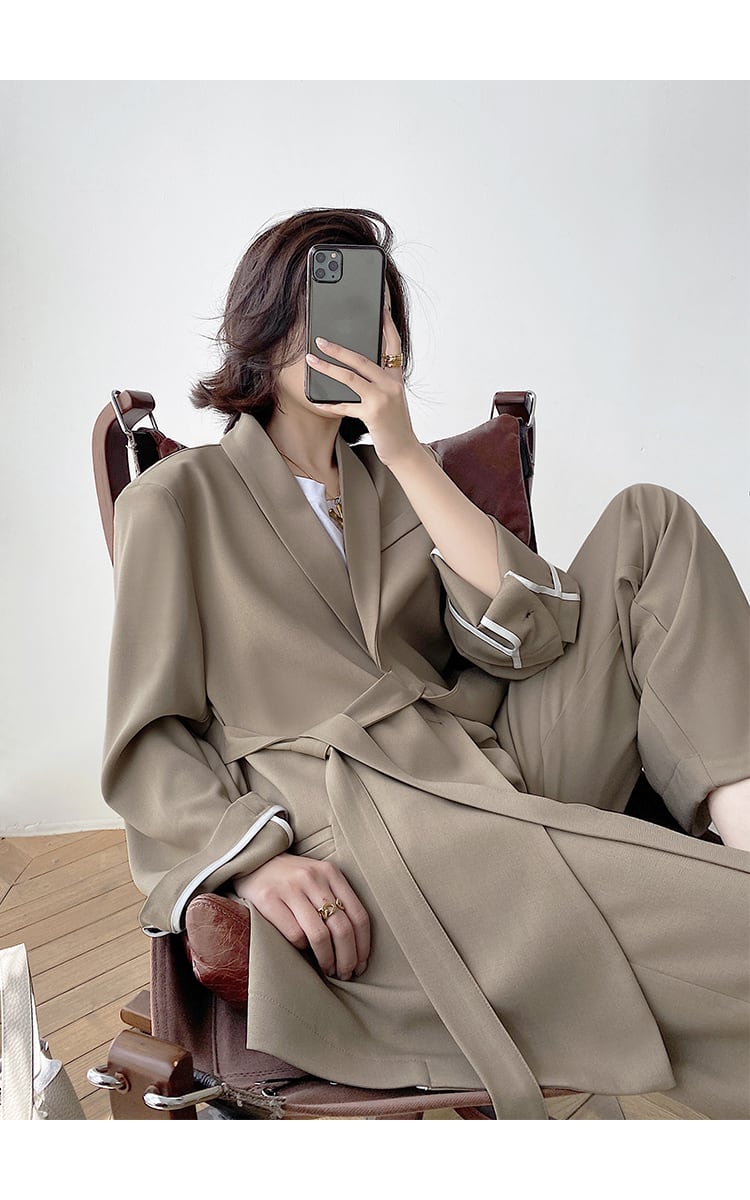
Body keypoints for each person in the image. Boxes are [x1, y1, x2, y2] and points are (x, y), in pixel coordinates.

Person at [101, 207, 750, 1119]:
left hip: (489, 757)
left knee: (652, 518)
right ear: (264, 329)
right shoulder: (178, 500)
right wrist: (250, 862)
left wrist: (404, 451)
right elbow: (149, 737)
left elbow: (539, 635)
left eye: (377, 310)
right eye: (320, 308)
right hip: (363, 809)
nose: (355, 334)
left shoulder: (398, 483)